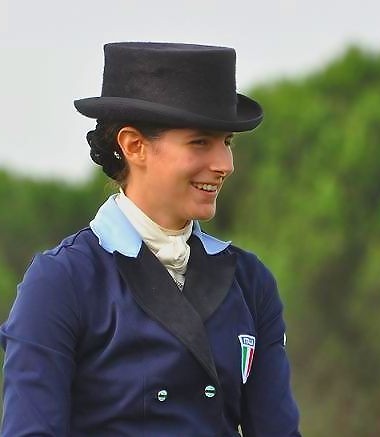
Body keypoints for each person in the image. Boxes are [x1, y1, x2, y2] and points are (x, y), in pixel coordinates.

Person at [0, 42, 301, 436]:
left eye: (227, 142)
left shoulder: (251, 281)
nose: (224, 164)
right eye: (200, 142)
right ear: (134, 146)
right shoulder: (61, 281)